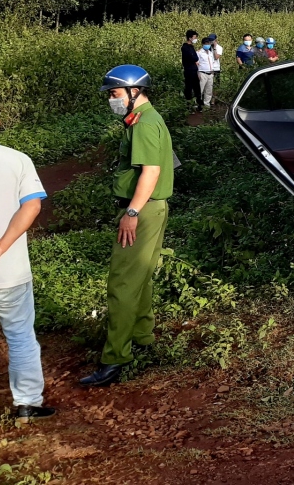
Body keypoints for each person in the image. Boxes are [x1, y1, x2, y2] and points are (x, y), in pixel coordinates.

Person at [80, 66, 174, 388]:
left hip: (143, 211)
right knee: (142, 276)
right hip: (154, 208)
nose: (111, 99)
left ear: (135, 92)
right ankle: (142, 337)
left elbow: (150, 172)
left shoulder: (145, 124)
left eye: (115, 93)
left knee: (121, 283)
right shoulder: (144, 119)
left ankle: (114, 359)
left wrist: (131, 212)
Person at [0, 97, 54, 420]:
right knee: (21, 338)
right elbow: (32, 206)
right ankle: (27, 403)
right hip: (10, 269)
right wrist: (3, 245)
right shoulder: (17, 160)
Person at [181, 30, 202, 111]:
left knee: (197, 88)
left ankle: (199, 105)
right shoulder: (185, 48)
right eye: (195, 37)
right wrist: (195, 58)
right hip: (189, 71)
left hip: (194, 70)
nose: (196, 39)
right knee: (189, 89)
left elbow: (195, 58)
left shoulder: (191, 47)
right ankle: (189, 106)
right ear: (190, 38)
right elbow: (194, 58)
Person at [195, 36, 216, 110]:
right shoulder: (198, 53)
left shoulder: (210, 53)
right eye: (206, 43)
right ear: (203, 44)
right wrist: (197, 73)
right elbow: (196, 64)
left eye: (209, 43)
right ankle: (198, 105)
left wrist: (212, 72)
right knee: (200, 90)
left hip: (210, 74)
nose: (208, 45)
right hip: (202, 73)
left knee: (209, 90)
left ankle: (206, 104)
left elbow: (212, 63)